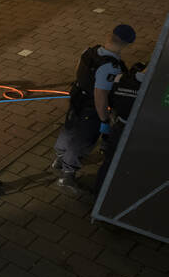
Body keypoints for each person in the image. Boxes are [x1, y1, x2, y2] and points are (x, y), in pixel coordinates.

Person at [51, 24, 134, 195]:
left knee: (69, 129)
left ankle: (59, 158)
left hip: (77, 100)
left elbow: (78, 72)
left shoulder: (90, 51)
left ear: (110, 35)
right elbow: (100, 95)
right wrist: (104, 119)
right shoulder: (110, 66)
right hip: (91, 108)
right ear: (126, 44)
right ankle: (67, 176)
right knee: (83, 141)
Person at [95, 61, 146, 191]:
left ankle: (99, 192)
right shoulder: (154, 85)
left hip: (119, 126)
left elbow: (109, 98)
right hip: (137, 130)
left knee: (109, 161)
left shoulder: (120, 78)